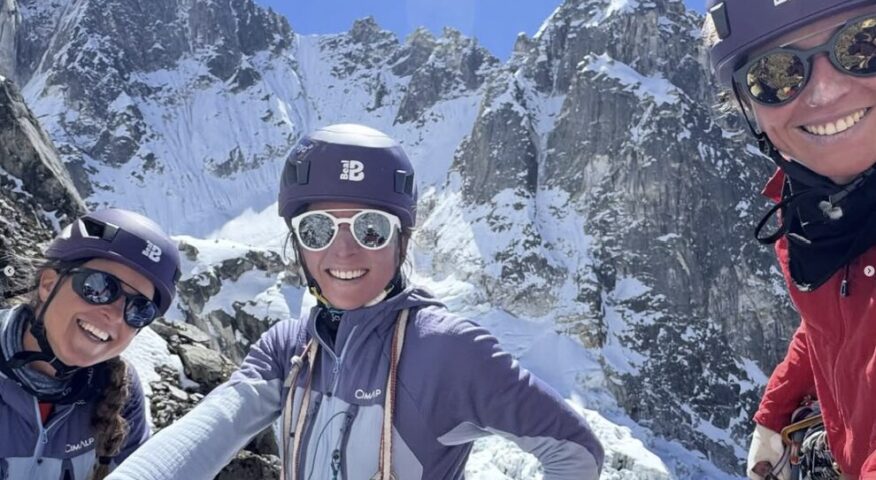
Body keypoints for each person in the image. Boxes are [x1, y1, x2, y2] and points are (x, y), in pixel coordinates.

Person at [107, 123, 605, 480]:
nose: (342, 250)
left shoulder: (448, 351)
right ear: (298, 244)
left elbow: (576, 451)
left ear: (401, 242)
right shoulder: (290, 347)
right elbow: (209, 431)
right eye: (317, 228)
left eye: (371, 229)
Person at [705, 1, 876, 478]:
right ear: (749, 106)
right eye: (776, 73)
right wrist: (772, 414)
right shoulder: (808, 215)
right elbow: (827, 324)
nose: (823, 91)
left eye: (863, 44)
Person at [0, 208, 181, 480]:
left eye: (140, 310)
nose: (116, 316)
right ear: (49, 284)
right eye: (100, 286)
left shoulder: (121, 390)